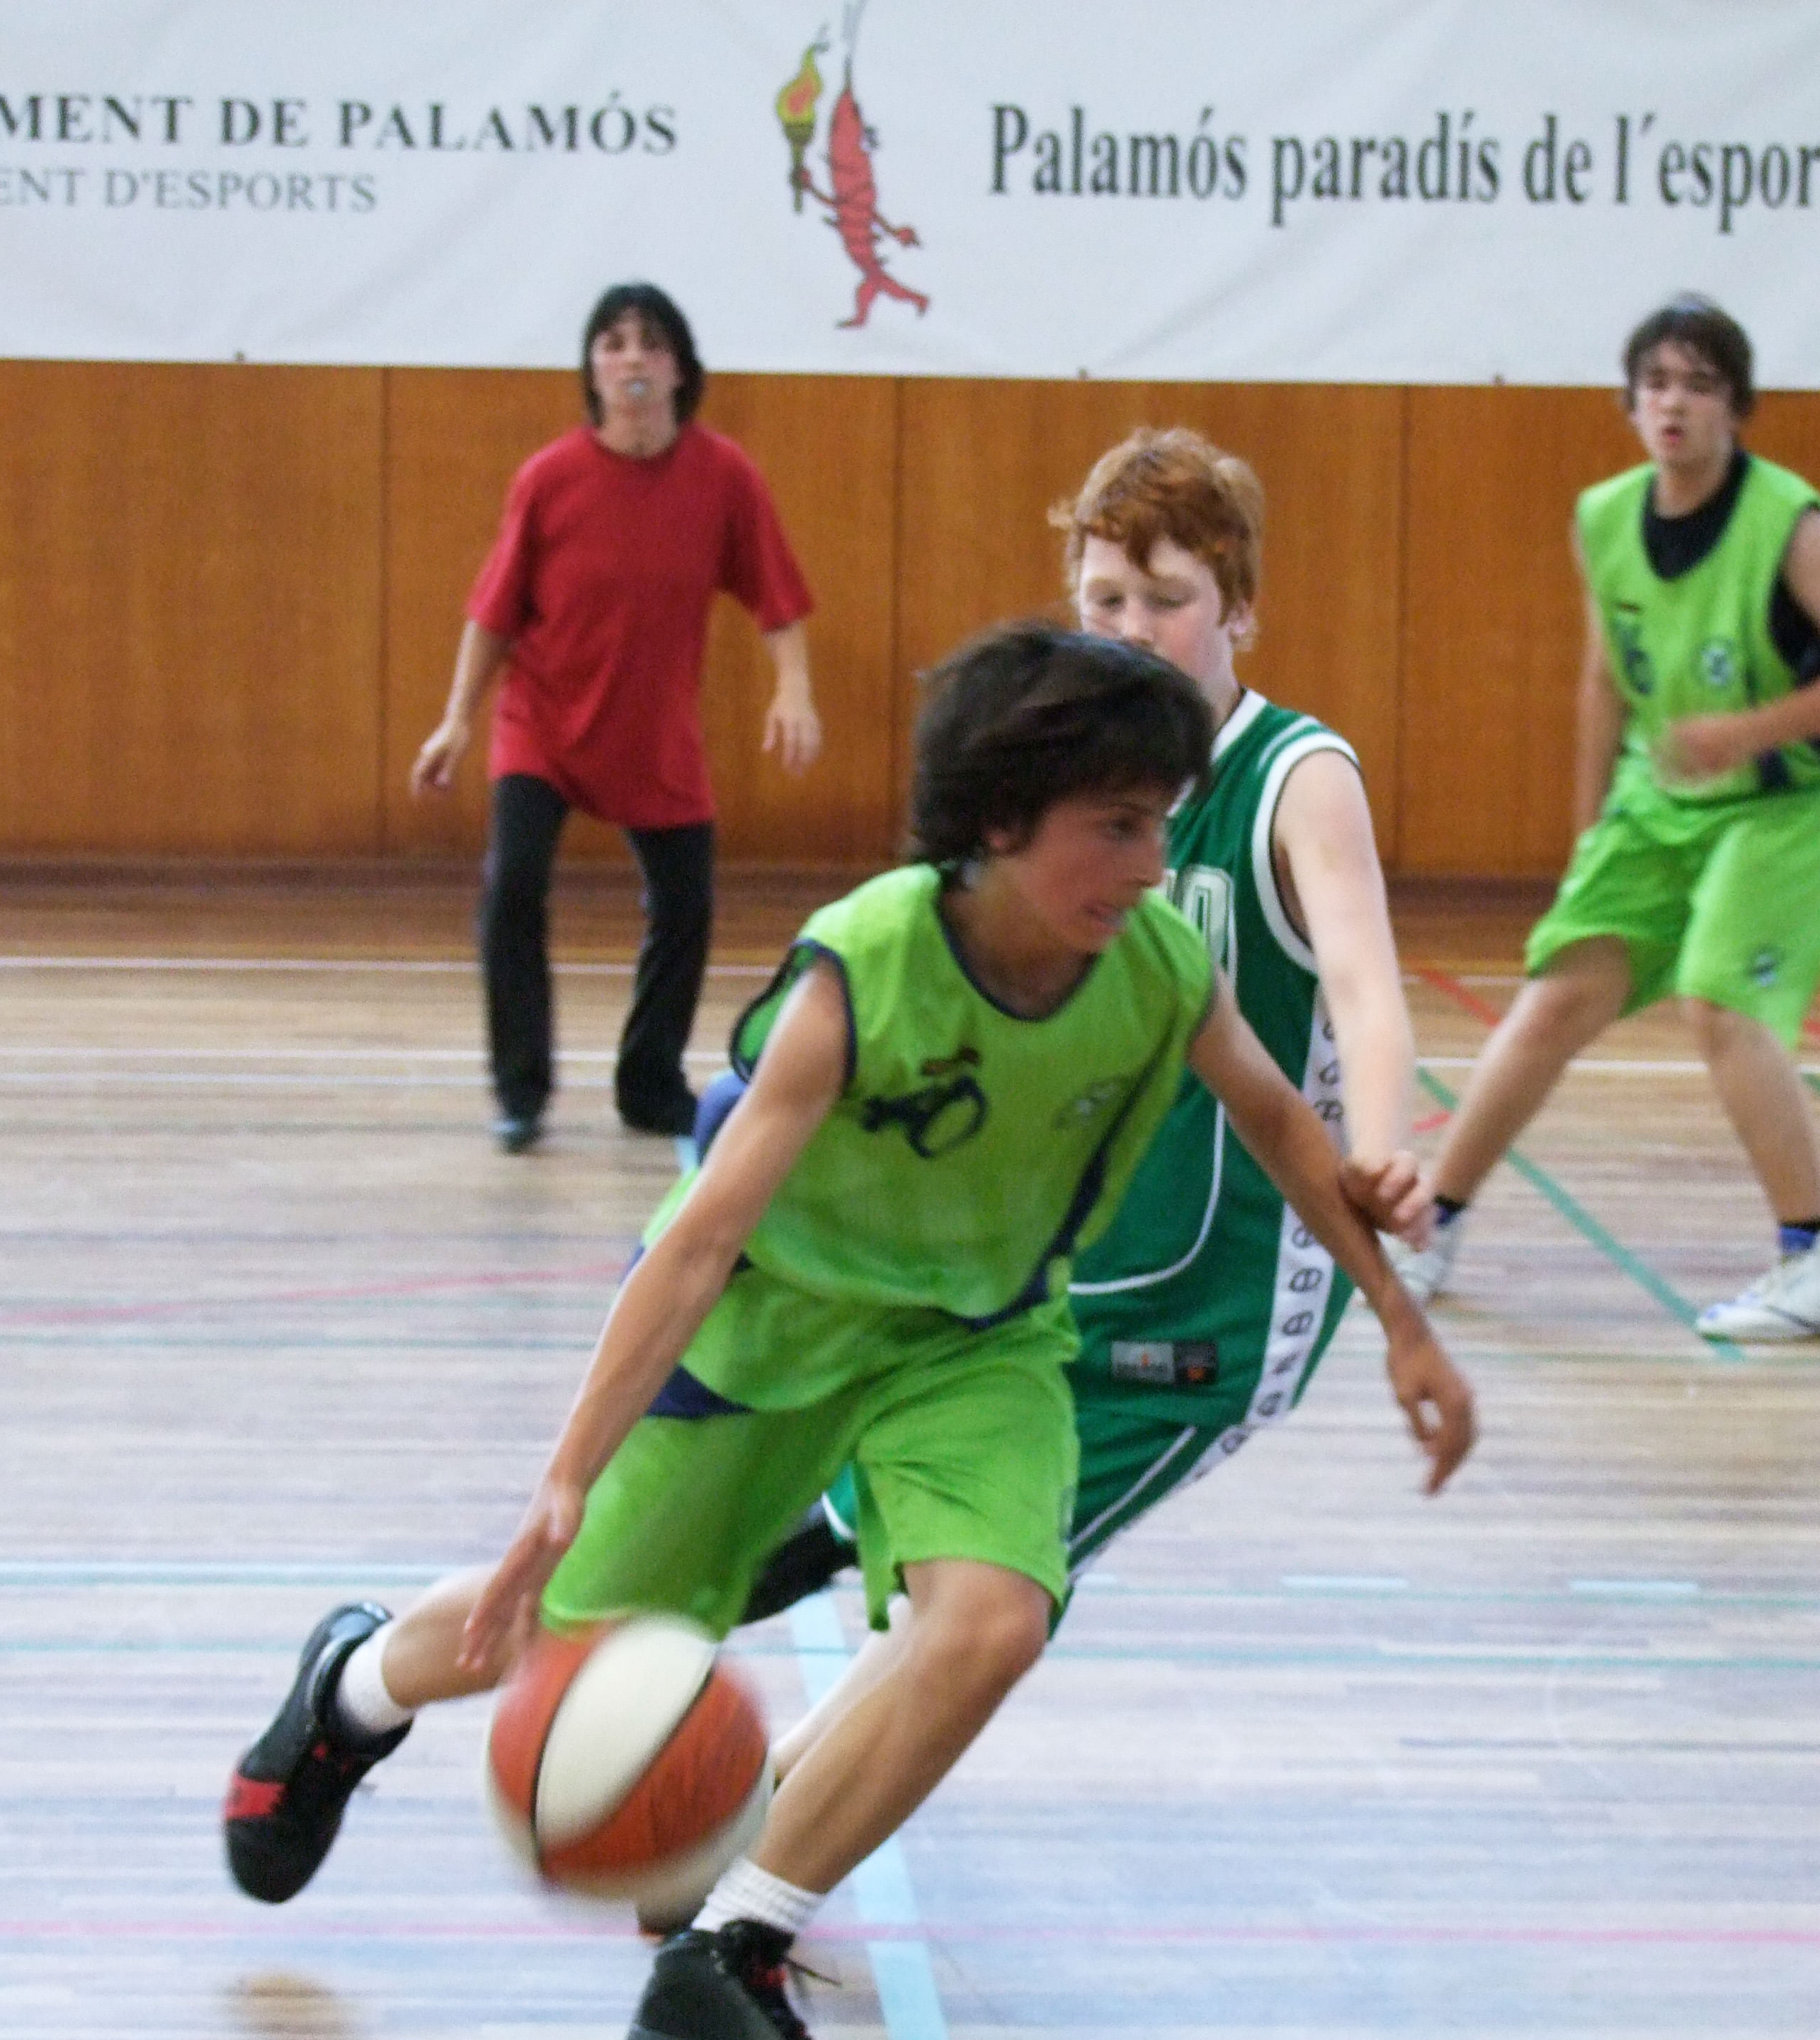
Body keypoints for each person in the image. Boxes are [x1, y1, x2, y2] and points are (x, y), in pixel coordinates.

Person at [225, 625, 1475, 2040]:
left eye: (1159, 826)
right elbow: (701, 1241)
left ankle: (731, 1948)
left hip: (976, 1344)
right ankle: (349, 1689)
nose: (1149, 866)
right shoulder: (864, 971)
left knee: (994, 1619)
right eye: (1115, 828)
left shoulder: (1159, 970)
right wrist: (563, 1480)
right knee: (573, 1635)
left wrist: (1399, 1320)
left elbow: (1279, 1121)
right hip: (773, 1326)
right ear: (1000, 823)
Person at [742, 426, 1453, 1660]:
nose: (1131, 628)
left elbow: (1364, 985)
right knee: (888, 1537)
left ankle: (756, 1770)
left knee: (976, 1611)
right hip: (1068, 1243)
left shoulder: (1295, 777)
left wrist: (1385, 1150)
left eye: (1167, 600)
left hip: (1223, 1276)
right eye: (1105, 599)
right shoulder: (1069, 784)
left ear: (1241, 609)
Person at [1392, 295, 1820, 1340]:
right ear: (1631, 403)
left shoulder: (1790, 525)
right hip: (1663, 796)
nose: (1675, 404)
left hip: (1794, 799)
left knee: (1719, 998)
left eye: (1700, 386)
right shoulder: (1605, 517)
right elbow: (1604, 678)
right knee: (1556, 996)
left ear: (1737, 408)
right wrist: (1591, 828)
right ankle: (1432, 1228)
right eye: (1658, 384)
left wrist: (1750, 731)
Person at [411, 281, 822, 1152]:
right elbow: (493, 614)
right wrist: (456, 719)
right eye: (614, 343)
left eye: (651, 343)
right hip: (543, 724)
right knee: (512, 886)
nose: (632, 358)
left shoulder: (724, 477)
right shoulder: (548, 479)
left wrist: (794, 688)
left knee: (686, 904)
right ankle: (521, 1091)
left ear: (680, 370)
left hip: (653, 736)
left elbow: (778, 601)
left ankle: (648, 1083)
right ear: (593, 371)